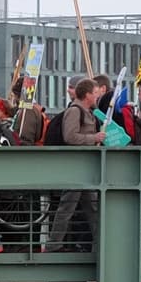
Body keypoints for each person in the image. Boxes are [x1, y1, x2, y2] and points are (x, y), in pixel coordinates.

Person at [47, 78, 104, 253]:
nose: (97, 96)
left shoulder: (87, 112)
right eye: (95, 93)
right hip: (77, 167)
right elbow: (70, 137)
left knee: (92, 207)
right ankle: (54, 244)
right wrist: (94, 138)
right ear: (87, 95)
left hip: (84, 168)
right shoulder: (74, 112)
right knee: (69, 205)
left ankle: (100, 242)